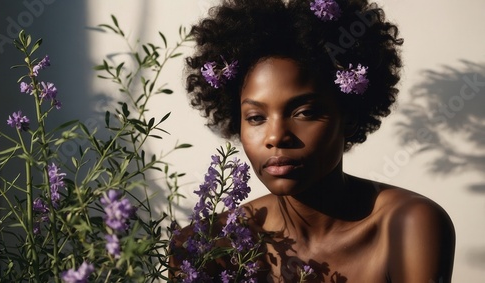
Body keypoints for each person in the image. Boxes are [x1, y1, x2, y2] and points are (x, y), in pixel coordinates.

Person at [172, 0, 456, 282]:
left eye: (304, 112)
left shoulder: (408, 226)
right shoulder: (207, 248)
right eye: (256, 117)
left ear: (349, 117)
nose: (275, 137)